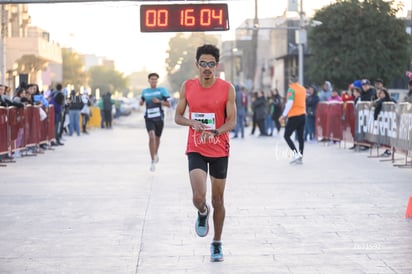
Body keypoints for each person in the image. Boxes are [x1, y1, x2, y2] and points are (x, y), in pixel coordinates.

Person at [174, 44, 236, 262]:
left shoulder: (227, 88)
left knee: (218, 200)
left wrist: (216, 132)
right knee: (199, 197)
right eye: (203, 64)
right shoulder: (188, 86)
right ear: (197, 65)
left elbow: (232, 121)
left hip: (219, 148)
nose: (207, 68)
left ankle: (217, 242)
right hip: (196, 148)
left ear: (217, 65)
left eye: (211, 64)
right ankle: (202, 212)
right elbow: (177, 117)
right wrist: (192, 122)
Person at [140, 72, 171, 172]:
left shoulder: (162, 90)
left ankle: (156, 152)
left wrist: (160, 101)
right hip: (149, 118)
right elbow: (142, 102)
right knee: (151, 136)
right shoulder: (145, 91)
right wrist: (141, 102)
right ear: (148, 80)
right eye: (152, 79)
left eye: (155, 79)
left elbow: (168, 104)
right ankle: (152, 160)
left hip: (159, 118)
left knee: (157, 138)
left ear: (157, 81)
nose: (153, 81)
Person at [279, 75, 306, 164]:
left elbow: (290, 103)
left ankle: (296, 154)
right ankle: (300, 155)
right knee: (300, 137)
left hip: (294, 115)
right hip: (303, 114)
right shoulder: (303, 89)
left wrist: (283, 115)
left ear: (290, 81)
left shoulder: (291, 90)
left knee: (286, 135)